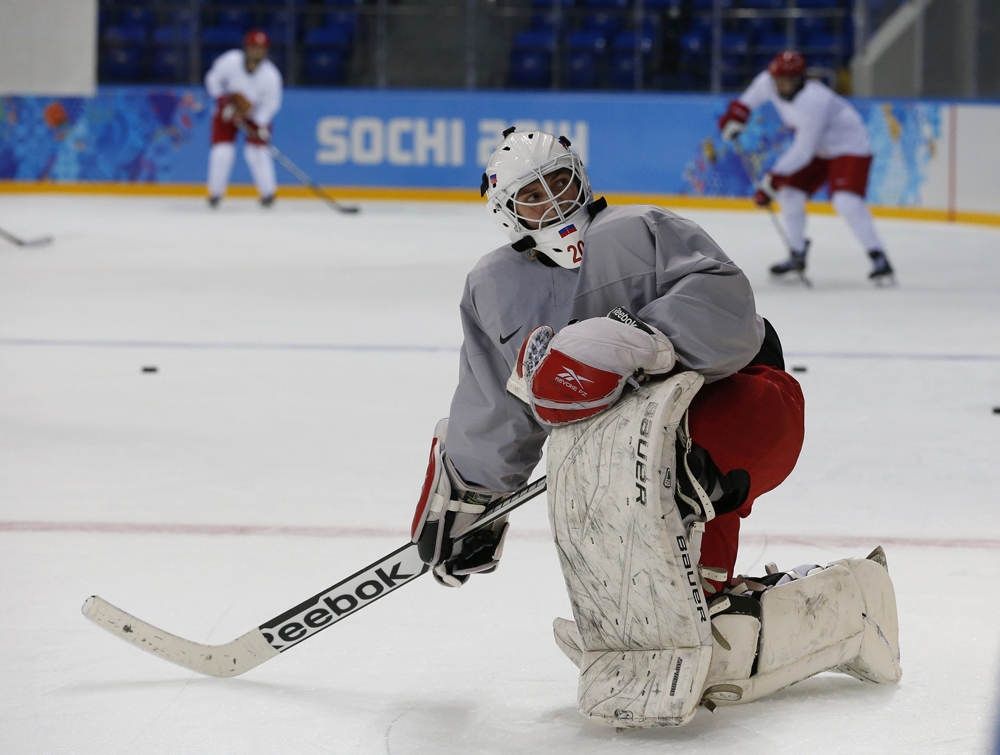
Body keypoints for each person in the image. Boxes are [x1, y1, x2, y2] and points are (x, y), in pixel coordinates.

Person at [408, 129, 900, 727]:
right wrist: (468, 495)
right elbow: (496, 402)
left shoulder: (640, 229)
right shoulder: (494, 286)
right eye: (532, 196)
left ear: (581, 177)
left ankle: (822, 614)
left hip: (745, 407)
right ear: (503, 211)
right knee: (697, 595)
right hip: (634, 451)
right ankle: (749, 608)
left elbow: (733, 315)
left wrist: (642, 337)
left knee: (667, 478)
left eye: (560, 181)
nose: (554, 202)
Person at [717, 50, 895, 282]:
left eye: (786, 81)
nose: (780, 86)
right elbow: (745, 102)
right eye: (777, 80)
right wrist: (735, 119)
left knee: (846, 202)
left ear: (799, 80)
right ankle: (797, 252)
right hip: (818, 149)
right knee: (790, 195)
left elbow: (803, 152)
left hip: (849, 147)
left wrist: (773, 180)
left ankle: (878, 256)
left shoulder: (814, 100)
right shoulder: (768, 83)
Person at [203, 29, 283, 208]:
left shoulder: (271, 76)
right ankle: (215, 194)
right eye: (253, 47)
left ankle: (268, 193)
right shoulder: (230, 61)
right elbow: (212, 79)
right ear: (246, 48)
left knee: (257, 153)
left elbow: (271, 104)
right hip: (227, 111)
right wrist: (223, 100)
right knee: (222, 152)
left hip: (254, 116)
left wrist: (260, 124)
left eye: (261, 48)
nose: (256, 52)